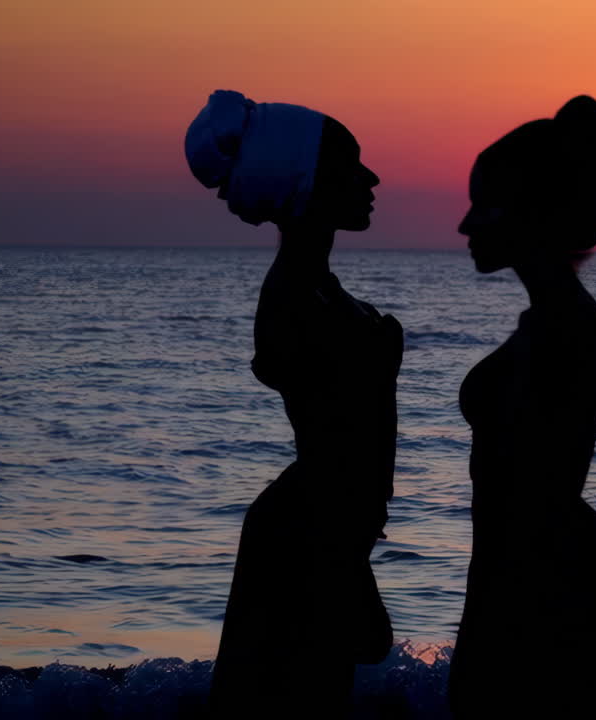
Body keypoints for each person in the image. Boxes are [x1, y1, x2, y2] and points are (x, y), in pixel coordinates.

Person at [184, 89, 402, 717]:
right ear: (305, 182)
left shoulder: (319, 293)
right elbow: (338, 445)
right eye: (349, 164)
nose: (371, 177)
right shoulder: (293, 303)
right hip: (307, 534)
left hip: (322, 526)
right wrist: (344, 558)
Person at [450, 96, 596, 718]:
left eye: (483, 204)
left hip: (546, 587)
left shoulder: (560, 328)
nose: (465, 225)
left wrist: (491, 628)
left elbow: (529, 496)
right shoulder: (551, 319)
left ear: (531, 212)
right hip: (544, 568)